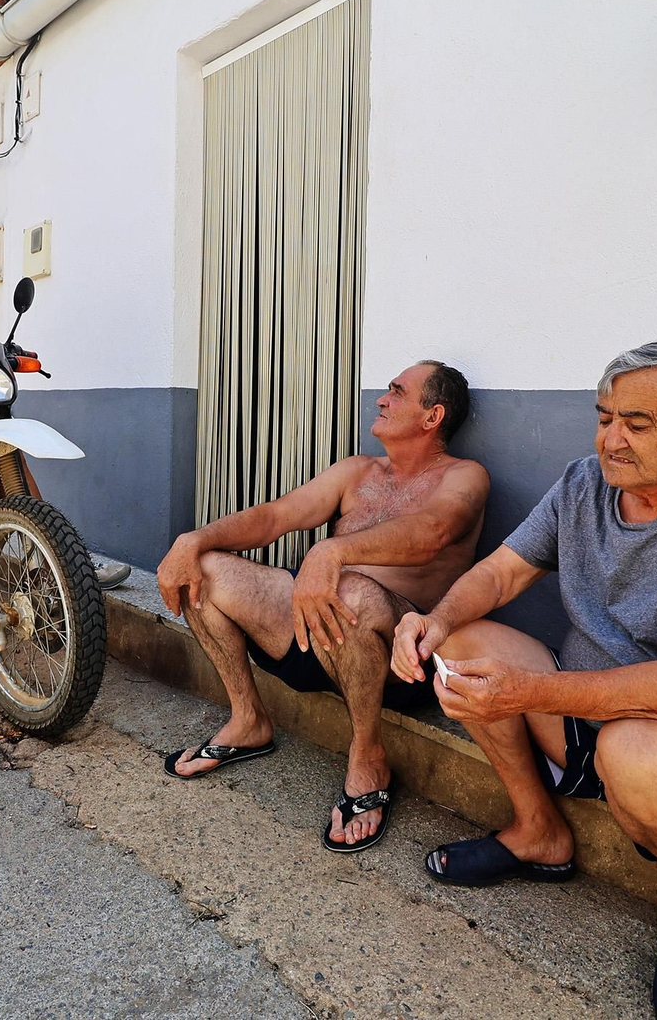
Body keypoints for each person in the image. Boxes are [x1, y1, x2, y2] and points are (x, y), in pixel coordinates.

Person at [392, 338, 657, 1020]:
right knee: (466, 646)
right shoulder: (584, 482)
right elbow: (500, 573)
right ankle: (537, 829)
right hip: (594, 721)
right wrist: (431, 623)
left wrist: (529, 692)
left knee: (635, 748)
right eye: (604, 415)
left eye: (636, 423)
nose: (611, 439)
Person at [158, 360, 489, 852]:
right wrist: (193, 539)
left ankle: (368, 755)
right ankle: (248, 720)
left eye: (397, 393)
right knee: (202, 568)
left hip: (393, 660)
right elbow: (276, 516)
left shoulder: (464, 478)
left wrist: (333, 550)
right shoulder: (357, 471)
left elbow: (433, 531)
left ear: (432, 416)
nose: (381, 399)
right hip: (310, 635)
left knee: (352, 590)